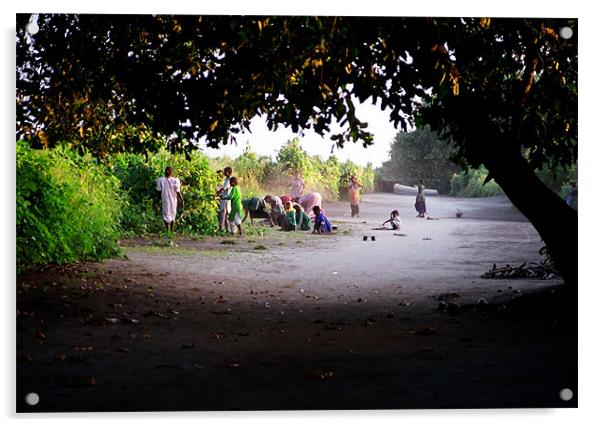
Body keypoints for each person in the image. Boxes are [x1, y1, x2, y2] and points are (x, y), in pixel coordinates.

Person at [156, 166, 184, 232]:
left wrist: (181, 200)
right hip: (165, 200)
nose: (167, 171)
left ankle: (171, 230)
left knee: (173, 214)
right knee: (166, 215)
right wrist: (157, 201)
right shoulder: (160, 180)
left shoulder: (175, 180)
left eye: (169, 170)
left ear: (172, 172)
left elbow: (178, 191)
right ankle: (167, 231)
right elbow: (159, 192)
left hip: (173, 200)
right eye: (166, 170)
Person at [215, 166, 233, 232]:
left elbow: (224, 188)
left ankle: (221, 228)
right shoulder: (227, 179)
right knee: (225, 215)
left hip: (225, 199)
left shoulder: (229, 180)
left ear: (228, 173)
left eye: (225, 172)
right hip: (224, 198)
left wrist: (217, 193)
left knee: (223, 213)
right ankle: (227, 229)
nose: (224, 173)